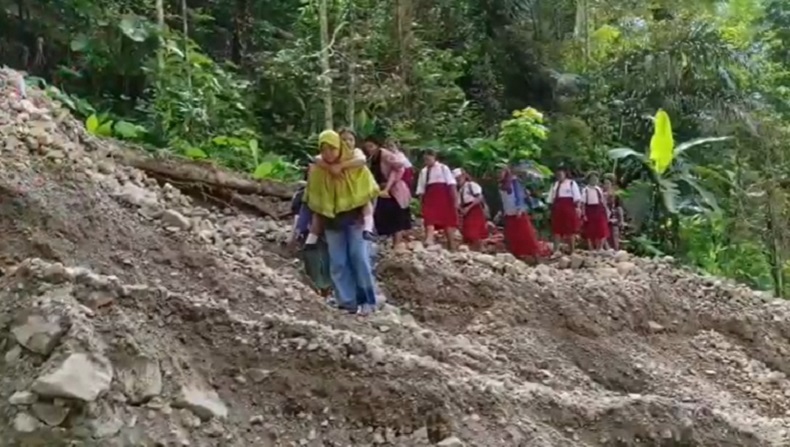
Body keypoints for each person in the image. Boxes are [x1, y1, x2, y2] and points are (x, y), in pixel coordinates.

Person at [304, 130, 380, 315]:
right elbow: (317, 203)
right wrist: (312, 236)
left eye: (332, 148)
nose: (328, 153)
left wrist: (368, 223)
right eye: (324, 149)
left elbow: (367, 196)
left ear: (340, 148)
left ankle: (367, 300)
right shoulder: (318, 172)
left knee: (359, 258)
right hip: (332, 222)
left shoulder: (356, 168)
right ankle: (347, 302)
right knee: (338, 263)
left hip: (356, 221)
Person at [304, 128, 375, 248]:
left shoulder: (356, 154)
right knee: (318, 209)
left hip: (356, 194)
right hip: (334, 200)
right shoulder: (323, 163)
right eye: (344, 139)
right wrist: (330, 167)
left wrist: (341, 166)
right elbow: (317, 159)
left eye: (351, 139)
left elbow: (362, 160)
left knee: (365, 202)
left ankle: (368, 227)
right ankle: (312, 236)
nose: (347, 142)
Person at [289, 166, 333, 297]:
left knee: (323, 259)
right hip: (310, 231)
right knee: (314, 259)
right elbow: (299, 216)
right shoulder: (302, 193)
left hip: (325, 231)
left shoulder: (326, 192)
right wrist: (294, 235)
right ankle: (320, 287)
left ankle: (324, 288)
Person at [363, 136, 412, 246]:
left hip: (393, 190)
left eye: (371, 146)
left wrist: (389, 185)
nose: (369, 149)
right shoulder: (372, 158)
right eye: (367, 147)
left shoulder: (385, 155)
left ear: (377, 146)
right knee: (382, 216)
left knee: (396, 216)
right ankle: (389, 243)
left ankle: (397, 244)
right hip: (381, 190)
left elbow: (399, 167)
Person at [499, 167, 545, 261]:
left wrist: (520, 208)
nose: (500, 174)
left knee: (527, 235)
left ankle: (536, 256)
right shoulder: (501, 185)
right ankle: (517, 256)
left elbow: (519, 194)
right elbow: (504, 201)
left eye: (501, 171)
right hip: (509, 213)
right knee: (512, 236)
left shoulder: (514, 182)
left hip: (518, 213)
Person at [415, 149, 459, 249]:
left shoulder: (443, 168)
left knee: (447, 222)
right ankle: (429, 239)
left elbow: (451, 184)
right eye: (425, 159)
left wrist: (455, 200)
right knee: (429, 218)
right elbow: (421, 188)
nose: (427, 161)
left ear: (434, 157)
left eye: (428, 158)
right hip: (430, 197)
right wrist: (421, 203)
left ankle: (452, 246)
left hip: (443, 197)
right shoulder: (424, 171)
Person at [547, 166, 582, 253]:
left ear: (565, 174)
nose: (559, 175)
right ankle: (556, 250)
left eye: (561, 173)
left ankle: (572, 250)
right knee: (556, 230)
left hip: (569, 209)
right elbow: (550, 199)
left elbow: (577, 198)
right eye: (557, 174)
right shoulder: (554, 185)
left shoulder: (571, 183)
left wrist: (578, 208)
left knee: (570, 231)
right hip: (557, 209)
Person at [454, 168, 488, 251]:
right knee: (467, 231)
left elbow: (479, 197)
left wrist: (468, 208)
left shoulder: (471, 185)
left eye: (459, 178)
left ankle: (479, 248)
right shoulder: (460, 190)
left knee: (474, 231)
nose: (458, 180)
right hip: (466, 211)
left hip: (474, 209)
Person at [581, 171, 610, 250]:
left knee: (601, 229)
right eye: (593, 178)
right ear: (589, 179)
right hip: (589, 210)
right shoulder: (585, 190)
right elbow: (583, 203)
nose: (594, 180)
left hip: (599, 210)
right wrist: (584, 214)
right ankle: (590, 248)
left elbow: (602, 201)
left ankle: (599, 248)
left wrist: (606, 211)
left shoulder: (598, 189)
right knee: (590, 230)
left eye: (596, 178)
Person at [603, 174, 624, 250]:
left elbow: (619, 207)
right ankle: (607, 250)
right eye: (605, 183)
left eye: (608, 183)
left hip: (613, 217)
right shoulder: (601, 194)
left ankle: (616, 250)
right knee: (605, 235)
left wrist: (621, 220)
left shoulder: (616, 194)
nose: (606, 185)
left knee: (614, 235)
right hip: (604, 217)